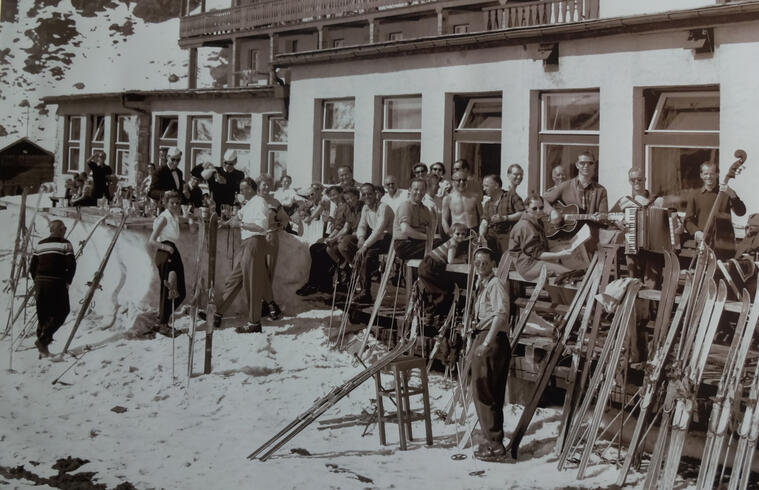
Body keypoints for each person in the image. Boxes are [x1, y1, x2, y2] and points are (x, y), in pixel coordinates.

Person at [214, 178, 278, 333]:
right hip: (246, 243)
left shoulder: (260, 202)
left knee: (253, 284)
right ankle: (217, 312)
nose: (241, 192)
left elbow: (261, 227)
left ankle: (254, 323)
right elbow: (238, 217)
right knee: (234, 279)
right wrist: (224, 222)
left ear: (251, 188)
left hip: (255, 242)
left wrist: (240, 224)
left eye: (243, 189)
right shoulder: (248, 204)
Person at [469, 246, 511, 461]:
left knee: (484, 392)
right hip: (486, 336)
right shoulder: (483, 285)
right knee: (489, 392)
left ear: (493, 263)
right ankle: (492, 439)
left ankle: (494, 445)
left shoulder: (496, 284)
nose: (480, 266)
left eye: (485, 262)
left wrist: (485, 342)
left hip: (491, 341)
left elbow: (501, 315)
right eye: (477, 262)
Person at [29, 220, 76, 357]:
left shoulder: (40, 244)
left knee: (43, 314)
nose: (66, 230)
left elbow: (32, 267)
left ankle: (43, 350)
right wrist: (67, 281)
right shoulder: (65, 244)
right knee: (62, 311)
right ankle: (43, 341)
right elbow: (71, 265)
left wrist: (37, 281)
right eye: (64, 228)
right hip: (56, 281)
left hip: (40, 282)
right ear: (60, 230)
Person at [343, 183, 394, 303]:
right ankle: (359, 283)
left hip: (389, 238)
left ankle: (366, 292)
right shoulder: (365, 208)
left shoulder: (383, 207)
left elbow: (379, 230)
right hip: (377, 238)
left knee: (367, 254)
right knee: (352, 245)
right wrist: (361, 239)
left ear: (375, 194)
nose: (367, 196)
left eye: (369, 193)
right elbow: (362, 226)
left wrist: (364, 246)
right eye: (364, 194)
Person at [684, 161, 746, 259]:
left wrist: (733, 195)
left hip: (725, 243)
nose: (709, 176)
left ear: (717, 174)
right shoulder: (695, 195)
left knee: (725, 272)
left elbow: (741, 212)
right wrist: (696, 231)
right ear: (701, 175)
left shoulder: (726, 193)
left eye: (712, 173)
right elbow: (688, 220)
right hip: (704, 241)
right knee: (705, 272)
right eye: (706, 174)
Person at [508, 192, 573, 281]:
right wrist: (559, 254)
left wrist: (563, 247)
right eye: (534, 208)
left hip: (534, 262)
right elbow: (538, 254)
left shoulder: (536, 221)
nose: (538, 211)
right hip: (528, 266)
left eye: (541, 208)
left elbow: (541, 247)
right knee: (568, 273)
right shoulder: (525, 226)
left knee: (565, 271)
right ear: (526, 208)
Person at [148, 191, 186, 337]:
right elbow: (151, 240)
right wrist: (165, 248)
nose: (175, 205)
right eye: (172, 203)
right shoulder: (164, 218)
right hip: (165, 253)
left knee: (180, 292)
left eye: (177, 203)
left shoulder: (173, 216)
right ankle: (163, 324)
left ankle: (162, 318)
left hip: (172, 251)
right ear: (165, 203)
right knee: (168, 291)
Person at [418, 222, 469, 317]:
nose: (461, 236)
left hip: (427, 263)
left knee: (433, 290)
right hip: (431, 266)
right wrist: (463, 260)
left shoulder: (451, 241)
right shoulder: (453, 244)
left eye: (463, 234)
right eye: (457, 234)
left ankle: (430, 312)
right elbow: (450, 260)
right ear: (451, 234)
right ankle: (435, 314)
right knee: (441, 291)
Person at [257, 174, 288, 319]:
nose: (266, 187)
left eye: (269, 185)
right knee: (258, 271)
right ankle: (268, 304)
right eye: (264, 184)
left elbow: (285, 218)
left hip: (271, 237)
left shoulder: (275, 202)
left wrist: (280, 226)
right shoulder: (252, 201)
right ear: (258, 185)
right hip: (256, 238)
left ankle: (266, 305)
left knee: (269, 271)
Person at [479, 168, 525, 256]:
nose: (484, 189)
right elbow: (484, 221)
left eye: (486, 186)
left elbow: (523, 213)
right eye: (483, 186)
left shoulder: (511, 196)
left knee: (507, 262)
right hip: (492, 237)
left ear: (496, 185)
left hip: (508, 236)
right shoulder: (487, 204)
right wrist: (481, 236)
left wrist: (504, 218)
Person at [326, 187, 363, 283]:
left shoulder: (363, 208)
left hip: (362, 235)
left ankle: (355, 268)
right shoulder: (349, 209)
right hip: (352, 235)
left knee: (343, 244)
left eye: (351, 198)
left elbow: (362, 228)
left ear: (357, 196)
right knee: (330, 248)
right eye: (347, 199)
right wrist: (333, 239)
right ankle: (345, 268)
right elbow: (345, 228)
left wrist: (339, 238)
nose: (349, 201)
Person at [393, 178, 434, 260]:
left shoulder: (425, 209)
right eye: (416, 189)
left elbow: (429, 229)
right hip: (405, 245)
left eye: (422, 190)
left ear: (425, 191)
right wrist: (428, 238)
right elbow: (405, 230)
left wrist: (430, 237)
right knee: (440, 245)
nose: (419, 192)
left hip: (419, 243)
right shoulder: (406, 206)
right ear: (409, 190)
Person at [196, 149, 245, 215]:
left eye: (230, 164)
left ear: (235, 162)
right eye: (225, 163)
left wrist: (226, 182)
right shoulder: (216, 171)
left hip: (230, 209)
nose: (227, 165)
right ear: (223, 161)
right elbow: (201, 175)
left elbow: (239, 189)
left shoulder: (239, 174)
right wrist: (210, 168)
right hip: (214, 207)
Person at [442, 170, 483, 238]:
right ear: (453, 182)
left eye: (464, 180)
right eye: (458, 180)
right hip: (456, 233)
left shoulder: (475, 197)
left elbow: (482, 217)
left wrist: (480, 234)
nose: (462, 182)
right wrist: (450, 234)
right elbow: (444, 220)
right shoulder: (448, 199)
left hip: (472, 233)